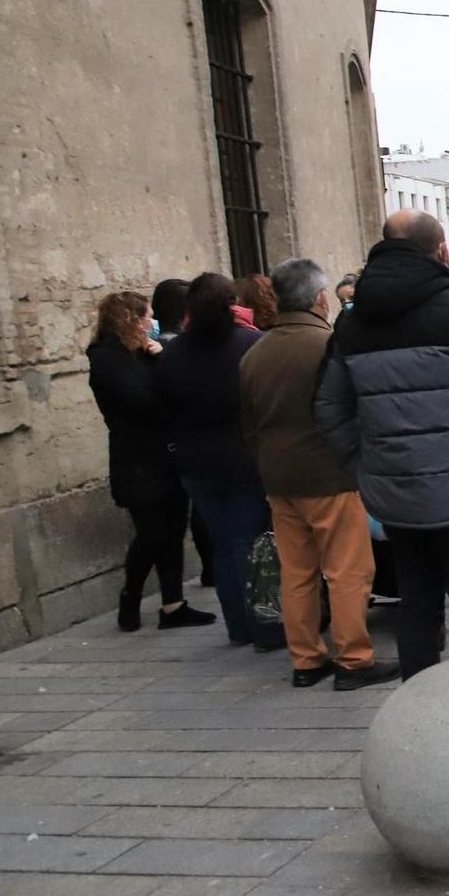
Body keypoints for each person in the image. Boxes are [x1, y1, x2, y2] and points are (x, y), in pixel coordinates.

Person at [315, 210, 449, 680]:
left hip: (396, 497)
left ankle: (420, 721)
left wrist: (368, 469)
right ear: (441, 251)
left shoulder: (350, 327)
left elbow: (328, 411)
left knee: (417, 605)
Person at [238, 259, 396, 691]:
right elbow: (355, 408)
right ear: (318, 298)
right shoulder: (326, 344)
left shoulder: (255, 352)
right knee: (347, 571)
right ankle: (353, 659)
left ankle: (306, 659)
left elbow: (250, 425)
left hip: (279, 477)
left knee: (298, 572)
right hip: (330, 474)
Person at [154, 272, 272, 647]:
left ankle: (238, 625)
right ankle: (262, 624)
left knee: (223, 545)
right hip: (244, 458)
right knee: (248, 543)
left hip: (197, 462)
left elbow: (163, 408)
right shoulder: (252, 344)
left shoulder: (172, 354)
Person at [86, 291, 215, 633]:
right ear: (130, 319)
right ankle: (131, 595)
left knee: (173, 529)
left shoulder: (145, 353)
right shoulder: (106, 358)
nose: (151, 323)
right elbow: (141, 401)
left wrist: (163, 357)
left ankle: (173, 605)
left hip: (167, 454)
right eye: (147, 316)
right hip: (138, 460)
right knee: (151, 534)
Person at [149, 276, 213, 587]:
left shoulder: (156, 346)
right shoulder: (179, 348)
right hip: (188, 442)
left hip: (173, 442)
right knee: (197, 510)